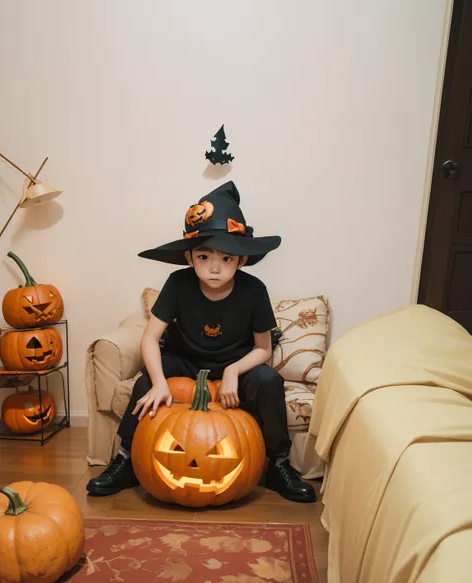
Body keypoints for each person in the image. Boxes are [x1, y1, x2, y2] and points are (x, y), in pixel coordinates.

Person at [87, 181, 316, 503]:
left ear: (241, 261)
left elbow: (263, 348)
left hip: (232, 363)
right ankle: (125, 459)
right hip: (185, 359)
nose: (214, 266)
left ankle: (278, 464)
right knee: (145, 384)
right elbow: (150, 338)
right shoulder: (178, 283)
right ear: (190, 257)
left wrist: (235, 372)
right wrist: (158, 383)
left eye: (226, 258)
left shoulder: (254, 290)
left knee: (269, 380)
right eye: (204, 256)